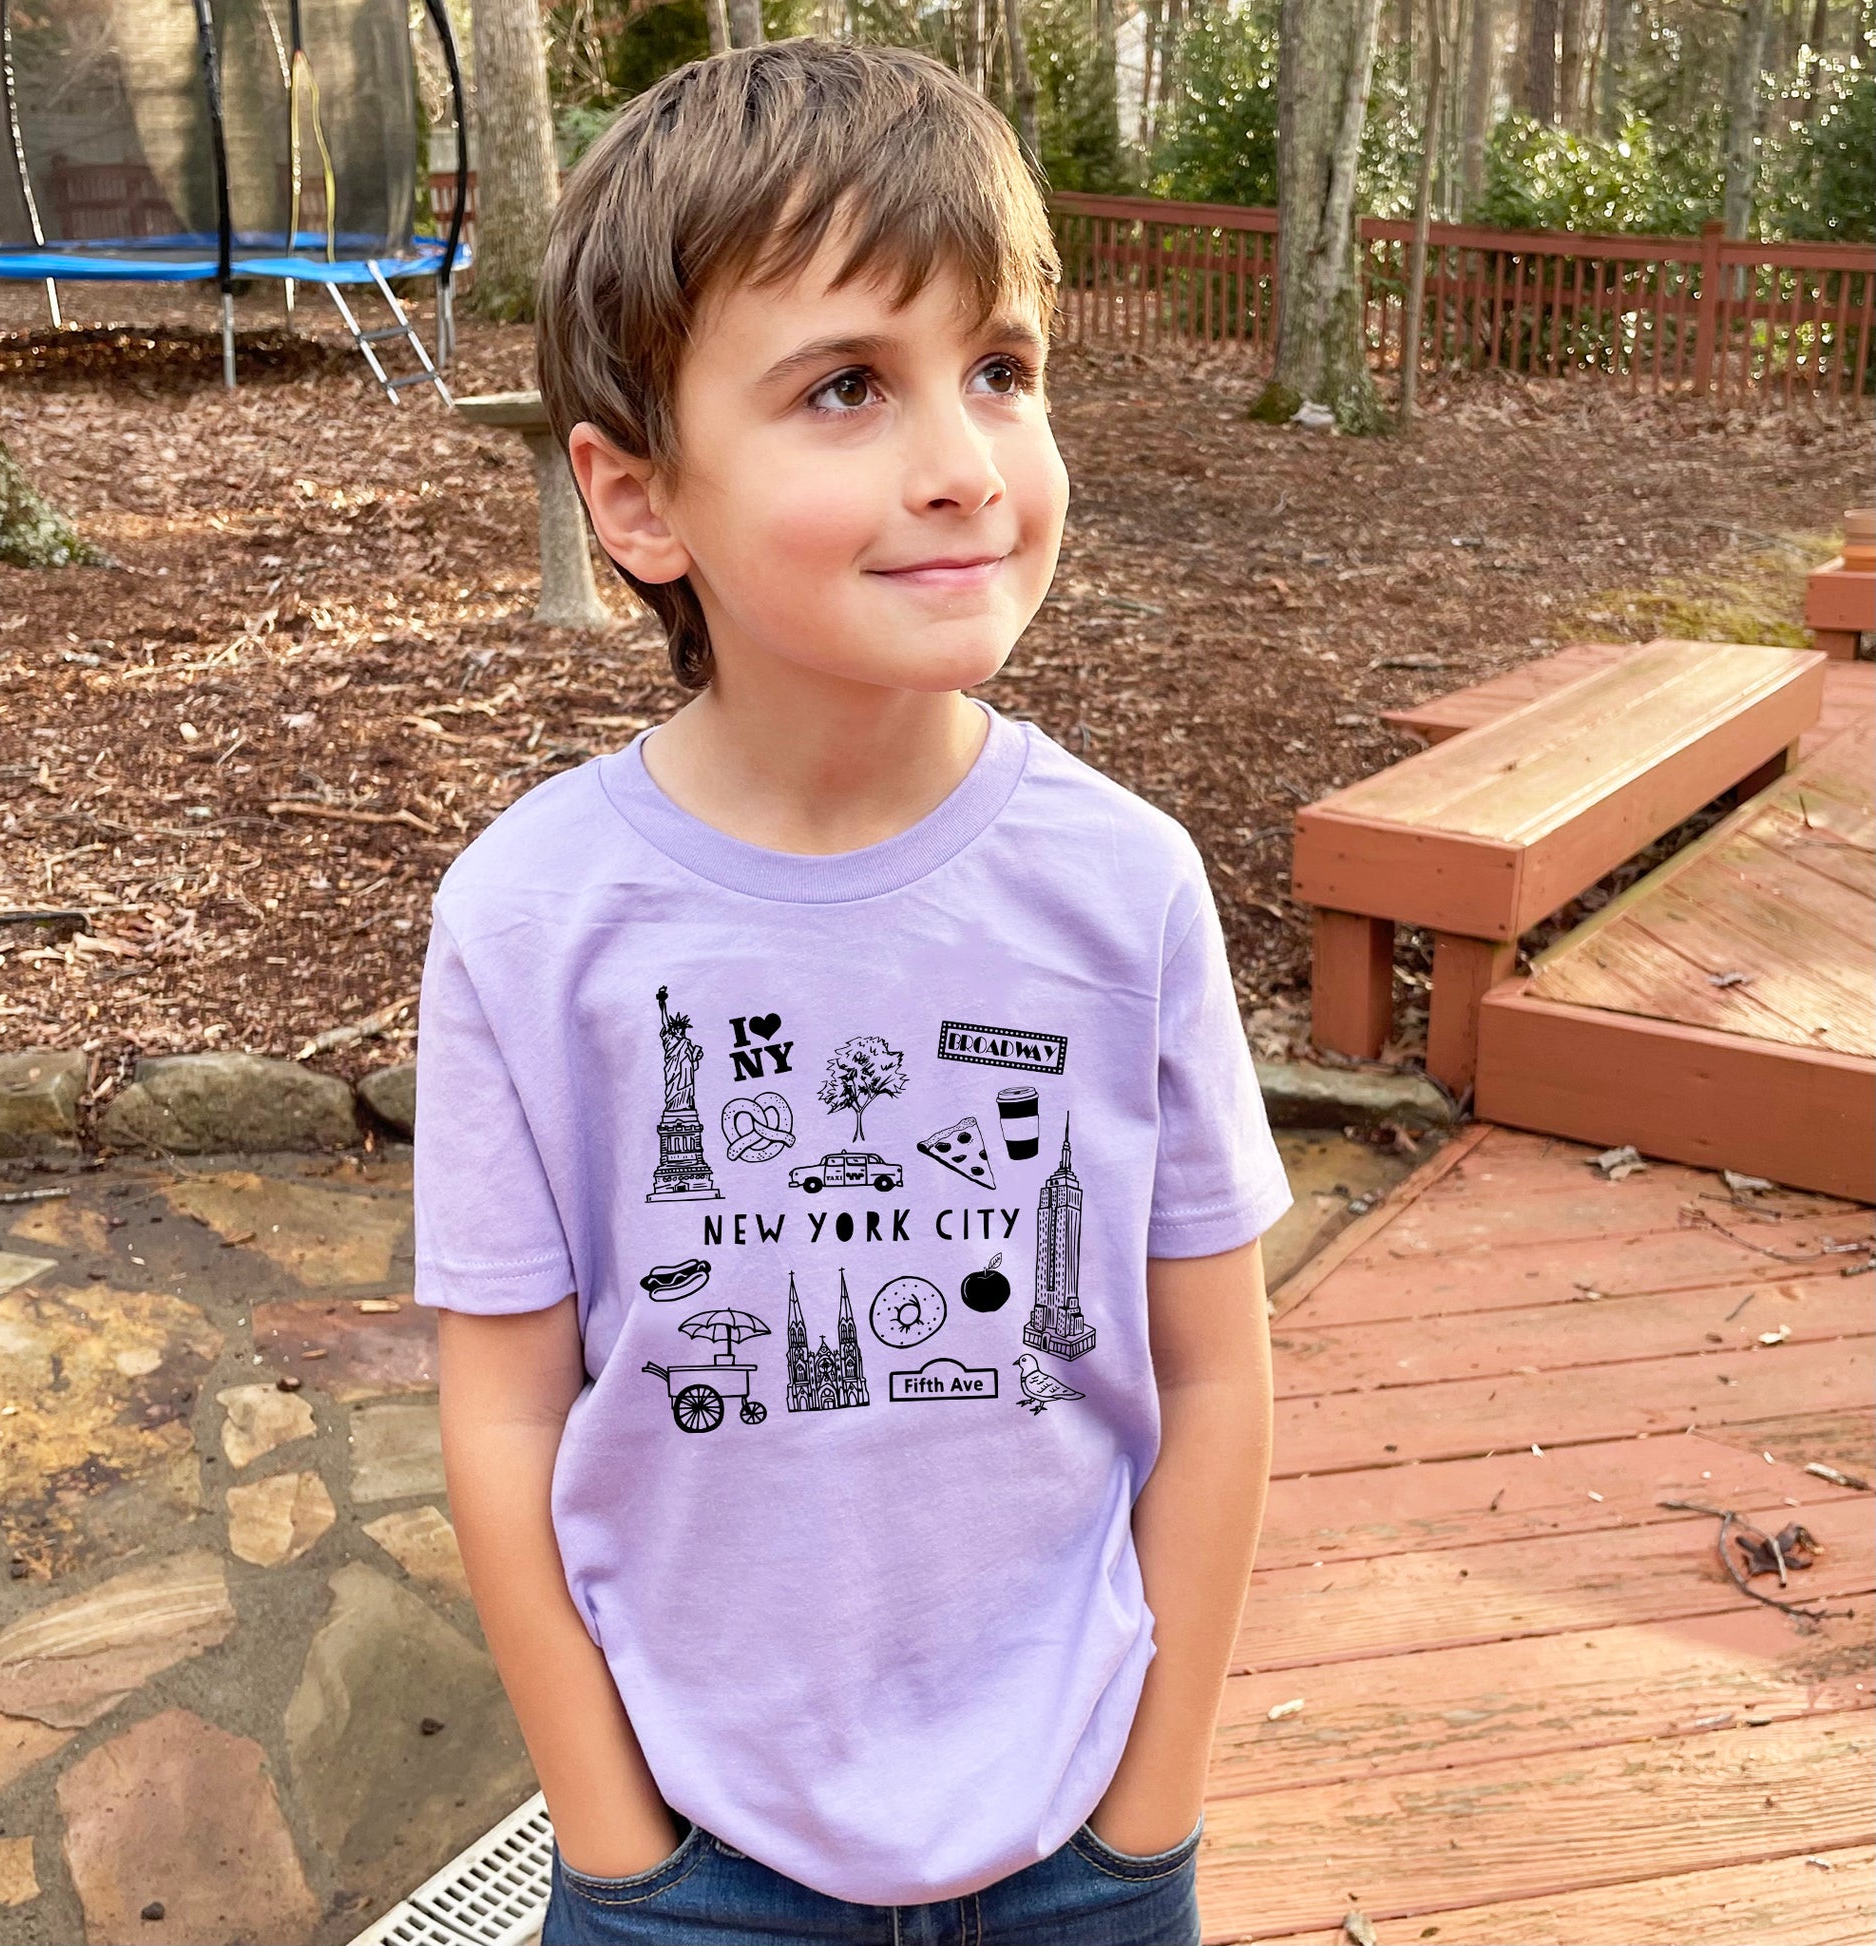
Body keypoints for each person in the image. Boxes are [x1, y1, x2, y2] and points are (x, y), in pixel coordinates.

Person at [414, 38, 1291, 1946]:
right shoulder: (529, 921)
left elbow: (1215, 1368)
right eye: (844, 388)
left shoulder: (1123, 885)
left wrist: (1148, 1811)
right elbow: (502, 1413)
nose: (964, 462)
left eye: (1000, 370)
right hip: (692, 1864)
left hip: (1079, 1839)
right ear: (637, 501)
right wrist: (615, 1842)